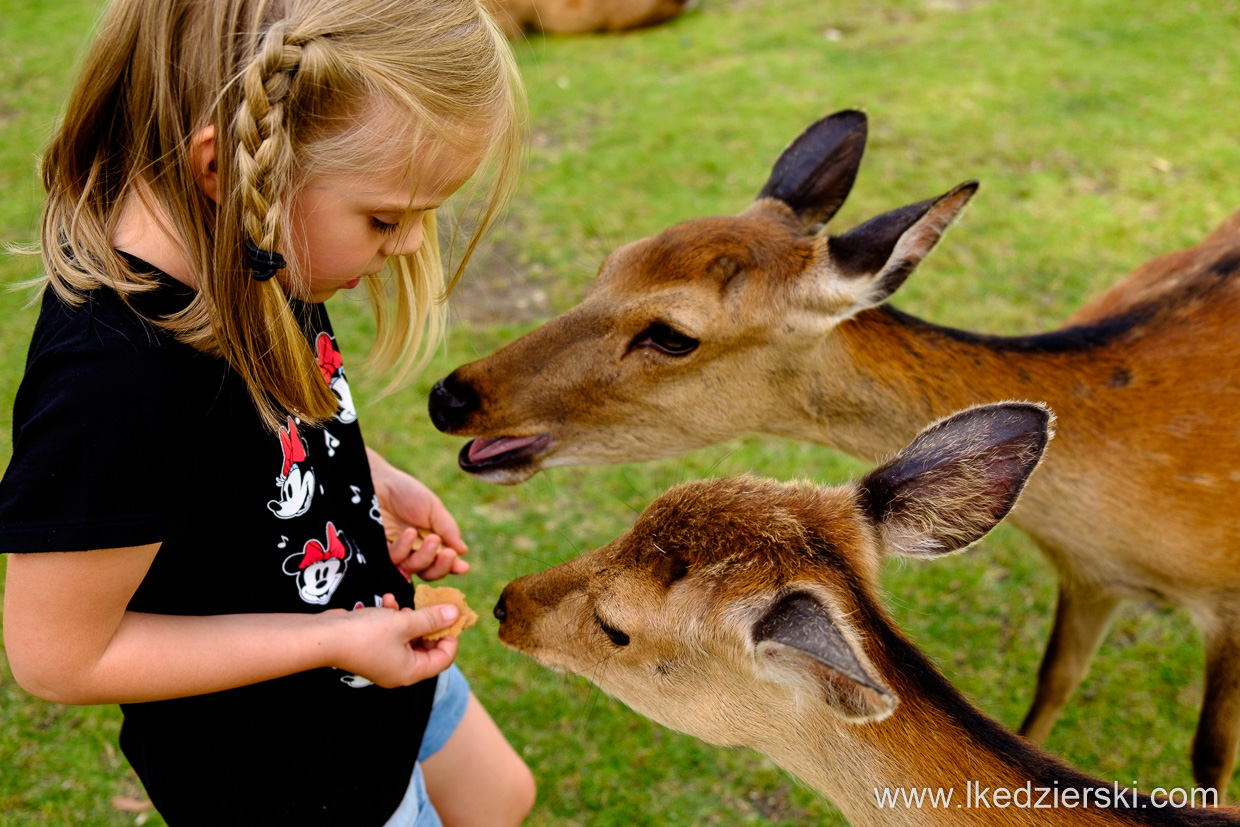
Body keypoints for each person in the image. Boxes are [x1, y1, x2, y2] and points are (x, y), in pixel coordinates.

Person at [0, 0, 536, 825]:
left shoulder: (247, 250)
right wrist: (329, 640)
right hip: (289, 767)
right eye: (386, 218)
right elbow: (56, 657)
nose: (404, 245)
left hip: (370, 658)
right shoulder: (111, 377)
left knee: (502, 795)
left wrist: (365, 479)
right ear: (229, 168)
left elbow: (250, 434)